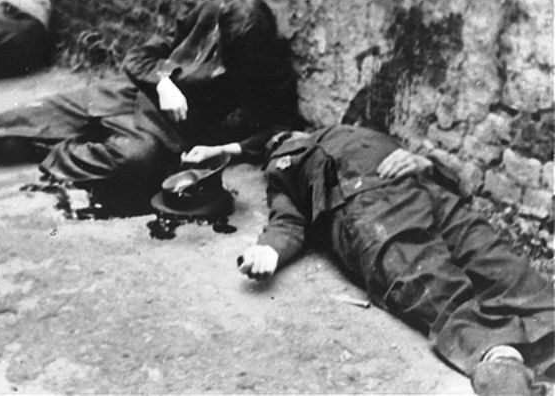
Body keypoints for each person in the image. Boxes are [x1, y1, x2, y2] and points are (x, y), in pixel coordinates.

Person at [237, 124, 553, 395]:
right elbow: (287, 222)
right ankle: (501, 361)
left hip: (427, 190)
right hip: (370, 209)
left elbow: (456, 181)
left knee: (511, 273)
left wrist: (424, 163)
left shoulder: (354, 131)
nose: (287, 137)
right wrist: (269, 250)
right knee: (435, 287)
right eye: (278, 140)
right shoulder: (281, 168)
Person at [0, 0, 302, 215]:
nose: (218, 60)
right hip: (122, 95)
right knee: (13, 120)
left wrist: (227, 148)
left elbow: (284, 125)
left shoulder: (268, 67)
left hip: (161, 132)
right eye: (218, 47)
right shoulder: (207, 16)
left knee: (136, 162)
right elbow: (138, 58)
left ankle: (47, 148)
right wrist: (164, 81)